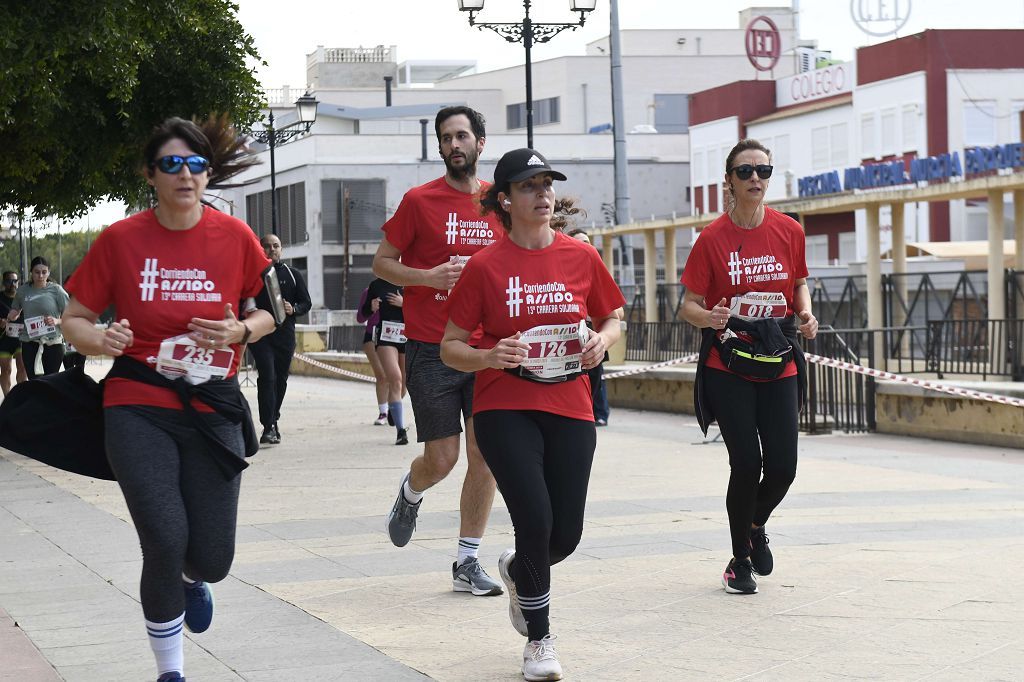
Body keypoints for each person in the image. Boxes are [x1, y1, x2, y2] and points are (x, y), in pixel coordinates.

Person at [61, 116, 276, 682]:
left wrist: (241, 332)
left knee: (211, 558)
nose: (186, 174)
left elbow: (271, 312)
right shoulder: (121, 239)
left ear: (208, 173)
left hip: (214, 406)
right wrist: (101, 339)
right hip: (138, 402)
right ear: (151, 174)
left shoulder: (235, 237)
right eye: (173, 165)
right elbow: (74, 319)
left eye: (197, 164)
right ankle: (170, 670)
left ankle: (191, 579)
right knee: (163, 536)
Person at [441, 148, 625, 681]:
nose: (542, 194)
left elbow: (612, 316)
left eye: (547, 185)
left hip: (571, 402)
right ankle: (540, 642)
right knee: (535, 517)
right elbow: (451, 345)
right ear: (505, 199)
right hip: (504, 403)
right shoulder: (485, 266)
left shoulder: (580, 257)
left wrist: (601, 341)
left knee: (563, 535)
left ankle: (520, 571)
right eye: (528, 186)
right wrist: (487, 356)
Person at [372, 105, 505, 597]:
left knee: (483, 456)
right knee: (443, 459)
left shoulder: (498, 202)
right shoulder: (418, 201)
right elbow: (382, 262)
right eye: (446, 137)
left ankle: (467, 560)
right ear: (440, 147)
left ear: (480, 144)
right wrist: (426, 277)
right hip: (432, 346)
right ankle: (410, 492)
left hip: (488, 347)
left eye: (463, 136)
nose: (454, 145)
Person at [680, 138, 818, 595]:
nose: (755, 178)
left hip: (778, 355)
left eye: (763, 170)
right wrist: (711, 317)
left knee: (783, 467)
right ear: (729, 181)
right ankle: (739, 561)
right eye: (745, 171)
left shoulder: (789, 230)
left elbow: (799, 285)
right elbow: (689, 306)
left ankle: (755, 524)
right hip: (729, 359)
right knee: (747, 463)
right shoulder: (712, 238)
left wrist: (806, 313)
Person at [248, 233, 311, 444]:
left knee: (280, 379)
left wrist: (293, 309)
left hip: (284, 335)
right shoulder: (252, 275)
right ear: (260, 249)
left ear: (281, 249)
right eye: (267, 246)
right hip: (260, 335)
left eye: (276, 246)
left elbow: (306, 302)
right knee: (267, 376)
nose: (271, 249)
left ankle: (273, 419)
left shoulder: (292, 274)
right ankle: (268, 426)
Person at [567, 229, 611, 426]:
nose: (586, 245)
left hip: (593, 337)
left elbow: (616, 314)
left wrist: (602, 338)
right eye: (580, 242)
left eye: (587, 241)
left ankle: (598, 413)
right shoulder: (566, 270)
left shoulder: (596, 267)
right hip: (570, 345)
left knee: (596, 376)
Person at [361, 278, 408, 445]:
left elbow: (426, 309)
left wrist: (405, 304)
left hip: (408, 336)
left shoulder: (412, 280)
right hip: (386, 337)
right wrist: (371, 307)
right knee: (394, 379)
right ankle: (401, 431)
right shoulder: (376, 285)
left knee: (404, 384)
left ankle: (393, 411)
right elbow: (362, 314)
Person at [7, 257, 69, 378]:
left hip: (53, 344)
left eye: (44, 272)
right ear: (31, 272)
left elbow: (71, 316)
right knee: (34, 382)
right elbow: (15, 309)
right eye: (37, 272)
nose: (40, 275)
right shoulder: (23, 290)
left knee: (50, 382)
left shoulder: (57, 290)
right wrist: (12, 315)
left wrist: (56, 320)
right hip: (30, 343)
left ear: (49, 272)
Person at [355, 285, 391, 425]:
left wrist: (402, 303)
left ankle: (393, 408)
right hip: (373, 336)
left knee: (399, 379)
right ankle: (383, 412)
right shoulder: (369, 291)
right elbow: (359, 317)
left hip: (396, 337)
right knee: (382, 376)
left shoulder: (404, 289)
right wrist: (371, 308)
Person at [0, 271, 27, 394]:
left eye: (15, 281)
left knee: (22, 368)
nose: (13, 284)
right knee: (6, 370)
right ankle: (7, 399)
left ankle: (19, 398)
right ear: (4, 282)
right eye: (9, 281)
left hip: (21, 338)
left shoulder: (23, 298)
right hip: (4, 340)